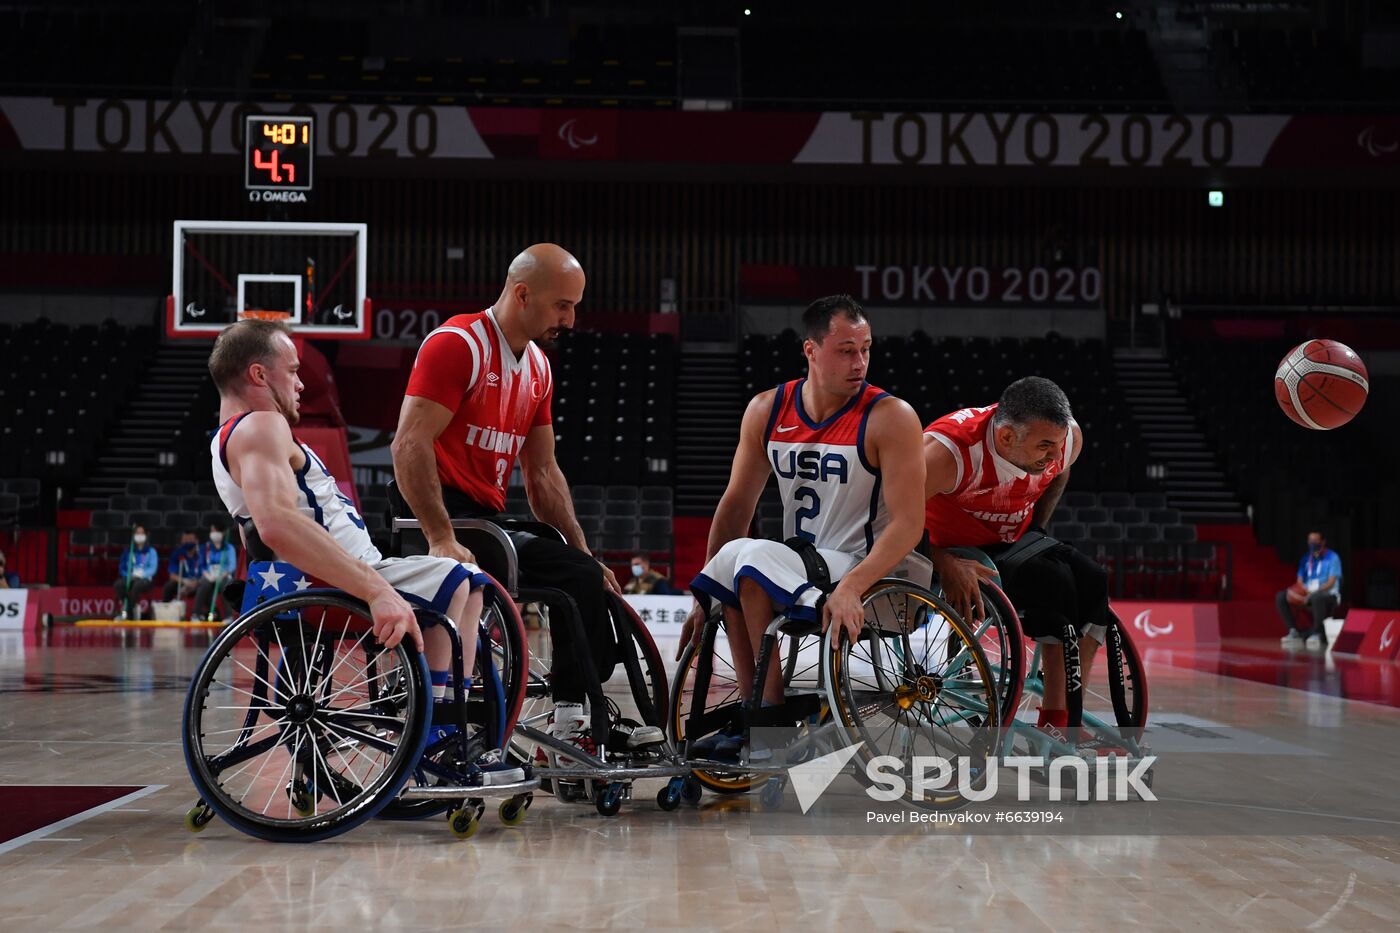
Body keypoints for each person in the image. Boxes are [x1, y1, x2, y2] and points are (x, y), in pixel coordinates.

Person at [207, 317, 522, 785]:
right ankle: (435, 735)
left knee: (467, 584)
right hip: (333, 581)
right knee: (460, 579)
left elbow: (260, 531)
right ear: (258, 375)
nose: (301, 382)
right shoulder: (259, 425)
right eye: (292, 371)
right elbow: (275, 525)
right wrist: (376, 590)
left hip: (327, 577)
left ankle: (440, 722)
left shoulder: (242, 433)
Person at [391, 243, 659, 755]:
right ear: (522, 294)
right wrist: (440, 535)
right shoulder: (457, 344)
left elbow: (542, 471)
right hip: (432, 515)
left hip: (482, 520)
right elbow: (408, 443)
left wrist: (584, 550)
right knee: (572, 576)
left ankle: (576, 711)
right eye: (563, 305)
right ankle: (573, 717)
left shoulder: (537, 366)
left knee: (579, 569)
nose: (571, 319)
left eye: (575, 306)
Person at [681, 295, 926, 760]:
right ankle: (758, 718)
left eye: (866, 349)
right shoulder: (767, 410)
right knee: (734, 559)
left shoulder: (890, 417)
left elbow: (911, 524)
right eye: (846, 350)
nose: (860, 362)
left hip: (868, 571)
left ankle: (769, 724)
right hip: (800, 568)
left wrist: (854, 585)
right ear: (811, 351)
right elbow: (736, 505)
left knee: (752, 557)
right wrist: (704, 594)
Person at [922, 376, 1117, 751]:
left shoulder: (1067, 440)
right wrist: (943, 561)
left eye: (1057, 445)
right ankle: (1060, 720)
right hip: (949, 550)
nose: (1052, 454)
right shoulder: (947, 452)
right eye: (1044, 446)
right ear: (1007, 437)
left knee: (1094, 579)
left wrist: (1039, 529)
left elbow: (1060, 470)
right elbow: (889, 511)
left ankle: (1057, 717)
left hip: (1010, 544)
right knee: (1053, 583)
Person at [1278, 531, 1342, 651]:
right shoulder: (1306, 558)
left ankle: (1316, 633)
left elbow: (1331, 582)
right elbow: (1300, 580)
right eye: (1310, 541)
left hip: (1328, 594)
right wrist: (1302, 590)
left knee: (1317, 597)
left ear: (1323, 541)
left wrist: (1314, 592)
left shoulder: (1333, 557)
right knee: (1281, 596)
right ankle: (1293, 631)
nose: (1312, 543)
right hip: (1308, 592)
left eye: (1316, 541)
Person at [193, 522, 238, 621]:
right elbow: (202, 565)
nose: (213, 533)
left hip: (223, 575)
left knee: (226, 586)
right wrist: (207, 575)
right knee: (203, 585)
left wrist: (223, 575)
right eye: (212, 531)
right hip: (209, 575)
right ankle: (196, 614)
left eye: (216, 531)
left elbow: (232, 565)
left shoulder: (229, 548)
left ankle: (228, 616)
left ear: (222, 532)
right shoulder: (206, 548)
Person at [113, 525, 158, 621]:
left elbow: (153, 569)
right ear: (133, 535)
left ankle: (128, 614)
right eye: (137, 533)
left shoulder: (151, 551)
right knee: (118, 585)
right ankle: (130, 610)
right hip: (130, 577)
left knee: (136, 586)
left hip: (145, 579)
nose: (140, 535)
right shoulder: (129, 551)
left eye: (142, 533)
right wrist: (128, 575)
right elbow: (122, 568)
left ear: (146, 535)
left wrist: (141, 575)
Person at [163, 530, 202, 603]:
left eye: (190, 539)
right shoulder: (177, 553)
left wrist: (196, 583)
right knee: (168, 586)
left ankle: (203, 613)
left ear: (196, 541)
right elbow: (172, 575)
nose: (188, 542)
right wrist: (184, 581)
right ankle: (167, 608)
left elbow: (206, 572)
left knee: (205, 587)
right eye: (185, 540)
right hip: (183, 583)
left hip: (198, 584)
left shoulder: (202, 554)